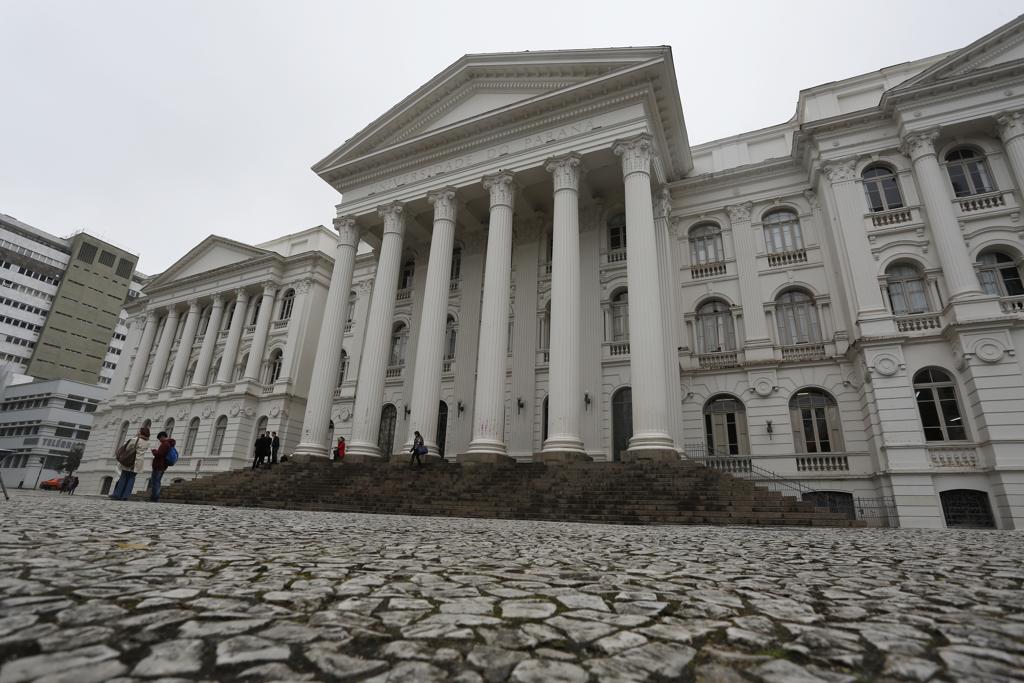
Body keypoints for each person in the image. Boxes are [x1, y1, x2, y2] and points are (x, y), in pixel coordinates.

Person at [111, 427, 150, 500]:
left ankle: (117, 495)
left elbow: (127, 449)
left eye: (139, 431)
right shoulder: (147, 442)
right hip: (138, 463)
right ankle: (126, 496)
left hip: (129, 460)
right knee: (131, 478)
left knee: (123, 477)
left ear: (141, 432)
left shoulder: (135, 440)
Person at [150, 431, 176, 502]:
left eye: (159, 438)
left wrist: (154, 451)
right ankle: (155, 497)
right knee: (157, 481)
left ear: (162, 437)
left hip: (159, 465)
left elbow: (159, 454)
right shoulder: (169, 444)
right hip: (163, 466)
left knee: (156, 481)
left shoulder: (165, 444)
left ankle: (155, 497)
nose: (159, 440)